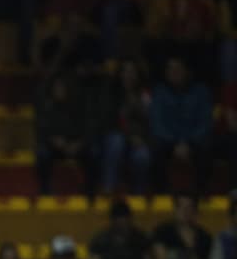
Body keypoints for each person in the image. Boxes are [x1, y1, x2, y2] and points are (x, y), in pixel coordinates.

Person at [149, 56, 213, 196]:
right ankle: (161, 193)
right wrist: (175, 143)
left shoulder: (200, 91)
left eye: (177, 69)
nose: (174, 72)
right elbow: (157, 123)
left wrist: (188, 143)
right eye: (170, 69)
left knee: (207, 152)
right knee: (155, 152)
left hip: (194, 141)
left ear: (186, 71)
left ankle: (202, 193)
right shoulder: (160, 92)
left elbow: (205, 122)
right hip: (167, 141)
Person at [33, 73, 100, 200]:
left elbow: (88, 129)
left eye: (62, 87)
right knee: (42, 153)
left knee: (94, 151)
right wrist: (54, 141)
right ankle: (45, 191)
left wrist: (78, 144)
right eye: (56, 88)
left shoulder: (79, 106)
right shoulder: (48, 107)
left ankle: (90, 191)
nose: (59, 90)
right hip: (55, 148)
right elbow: (42, 131)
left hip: (76, 146)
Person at [101, 59, 153, 196]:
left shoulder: (145, 95)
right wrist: (129, 137)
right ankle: (109, 187)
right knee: (116, 142)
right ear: (120, 74)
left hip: (139, 140)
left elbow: (149, 122)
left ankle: (138, 193)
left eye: (132, 72)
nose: (129, 75)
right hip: (117, 138)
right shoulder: (111, 93)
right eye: (125, 71)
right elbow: (109, 122)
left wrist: (141, 139)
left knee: (143, 156)